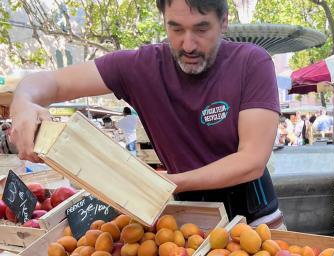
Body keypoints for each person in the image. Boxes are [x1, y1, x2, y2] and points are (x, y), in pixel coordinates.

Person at [9, 0, 284, 229]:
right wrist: (23, 102)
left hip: (257, 222)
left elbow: (252, 160)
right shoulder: (139, 67)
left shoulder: (251, 62)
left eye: (201, 29)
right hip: (190, 226)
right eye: (175, 29)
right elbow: (52, 83)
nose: (188, 45)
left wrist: (167, 183)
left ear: (223, 21)